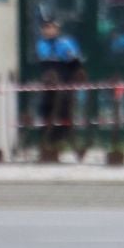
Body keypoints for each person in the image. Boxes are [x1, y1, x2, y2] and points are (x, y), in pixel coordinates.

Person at [35, 17, 84, 162]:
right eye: (46, 28)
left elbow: (74, 59)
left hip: (65, 83)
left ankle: (66, 142)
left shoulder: (66, 42)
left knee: (65, 114)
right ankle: (47, 143)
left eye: (51, 27)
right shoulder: (42, 44)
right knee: (47, 113)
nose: (48, 30)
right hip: (49, 85)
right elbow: (44, 58)